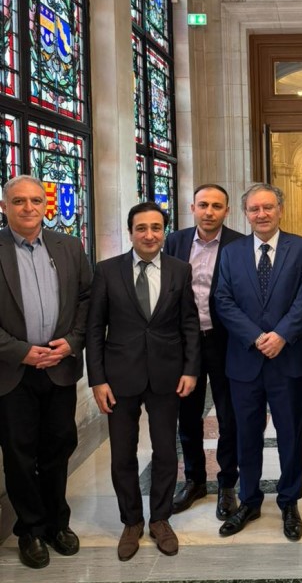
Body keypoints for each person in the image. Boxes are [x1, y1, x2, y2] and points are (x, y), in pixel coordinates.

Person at [86, 202, 200, 561]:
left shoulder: (180, 270)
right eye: (141, 228)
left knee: (165, 451)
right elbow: (94, 328)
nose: (149, 235)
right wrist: (97, 380)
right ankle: (132, 521)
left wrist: (191, 369)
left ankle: (160, 519)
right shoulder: (107, 271)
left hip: (167, 374)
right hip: (119, 377)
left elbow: (190, 323)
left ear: (164, 231)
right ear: (130, 232)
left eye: (156, 228)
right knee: (122, 454)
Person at [0, 175, 92, 570]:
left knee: (58, 448)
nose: (28, 208)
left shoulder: (68, 246)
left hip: (59, 367)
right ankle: (30, 530)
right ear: (4, 206)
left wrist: (72, 341)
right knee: (19, 454)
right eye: (19, 201)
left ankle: (57, 523)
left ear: (45, 205)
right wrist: (21, 352)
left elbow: (87, 299)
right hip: (12, 372)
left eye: (35, 201)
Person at [215, 183, 302, 541]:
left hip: (289, 359)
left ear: (280, 210)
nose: (262, 214)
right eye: (254, 209)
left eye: (268, 207)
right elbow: (223, 300)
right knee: (246, 434)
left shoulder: (301, 249)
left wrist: (282, 335)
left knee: (291, 435)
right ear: (245, 213)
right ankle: (249, 500)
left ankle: (289, 501)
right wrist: (257, 337)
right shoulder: (231, 253)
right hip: (245, 360)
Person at [164, 184, 242, 520]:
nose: (209, 211)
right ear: (192, 207)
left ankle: (227, 484)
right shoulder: (174, 242)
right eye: (203, 205)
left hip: (225, 341)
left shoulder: (239, 244)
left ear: (227, 211)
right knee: (188, 415)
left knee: (229, 416)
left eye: (216, 206)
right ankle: (194, 480)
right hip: (184, 343)